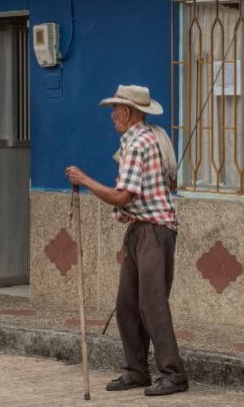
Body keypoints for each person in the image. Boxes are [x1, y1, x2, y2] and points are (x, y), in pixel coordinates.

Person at [65, 85, 188, 396]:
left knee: (152, 304)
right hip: (141, 227)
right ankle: (136, 371)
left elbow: (122, 196)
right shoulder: (151, 137)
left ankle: (174, 375)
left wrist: (84, 180)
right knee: (127, 304)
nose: (112, 116)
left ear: (128, 112)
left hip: (154, 230)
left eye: (115, 109)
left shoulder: (138, 143)